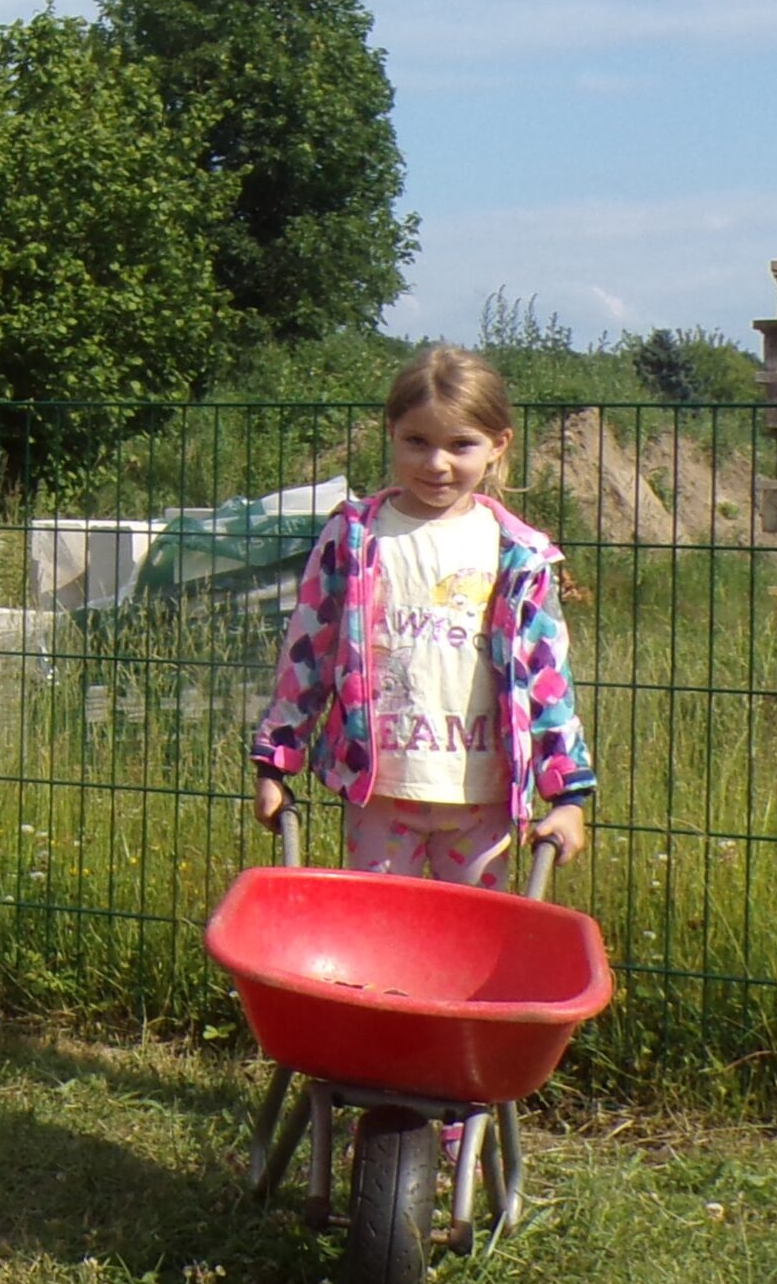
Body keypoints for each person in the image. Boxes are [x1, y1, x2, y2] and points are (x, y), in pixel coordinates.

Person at [250, 344, 592, 887]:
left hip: (481, 797)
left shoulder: (520, 554)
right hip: (382, 792)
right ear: (392, 433)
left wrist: (568, 796)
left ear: (498, 445)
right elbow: (307, 653)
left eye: (461, 445)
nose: (437, 464)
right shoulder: (357, 538)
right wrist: (275, 763)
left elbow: (548, 682)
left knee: (470, 946)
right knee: (381, 939)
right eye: (417, 442)